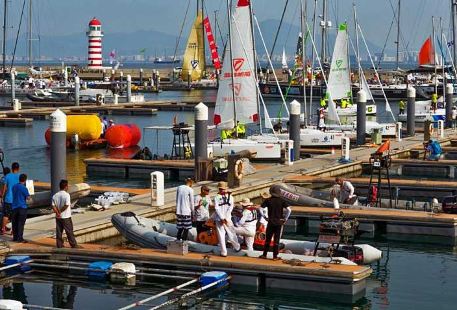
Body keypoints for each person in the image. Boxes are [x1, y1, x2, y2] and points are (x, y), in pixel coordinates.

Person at [258, 192, 291, 260]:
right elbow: (289, 210)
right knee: (276, 240)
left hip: (270, 221)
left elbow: (260, 209)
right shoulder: (282, 200)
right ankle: (275, 256)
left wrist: (264, 217)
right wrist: (285, 219)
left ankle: (264, 254)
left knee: (268, 239)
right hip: (279, 222)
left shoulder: (268, 200)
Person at [213, 181, 240, 257]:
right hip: (227, 218)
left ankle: (224, 252)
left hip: (220, 219)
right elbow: (230, 208)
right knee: (231, 232)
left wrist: (222, 218)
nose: (221, 190)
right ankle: (237, 247)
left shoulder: (216, 197)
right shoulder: (231, 197)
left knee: (221, 235)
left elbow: (217, 208)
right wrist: (225, 217)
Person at [52, 180, 79, 248]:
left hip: (58, 217)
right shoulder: (67, 195)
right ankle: (73, 245)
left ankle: (59, 245)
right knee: (69, 231)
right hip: (66, 216)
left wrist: (57, 213)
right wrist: (60, 211)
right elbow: (66, 205)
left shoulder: (55, 195)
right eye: (67, 186)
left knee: (59, 232)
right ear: (66, 187)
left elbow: (53, 206)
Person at [2, 163, 20, 235]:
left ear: (11, 168)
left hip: (8, 198)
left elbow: (4, 188)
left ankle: (3, 229)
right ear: (18, 168)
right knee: (15, 216)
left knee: (6, 215)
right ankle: (13, 230)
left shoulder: (7, 176)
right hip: (16, 199)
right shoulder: (20, 176)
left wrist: (1, 196)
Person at [11, 174, 29, 243]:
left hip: (14, 207)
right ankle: (20, 238)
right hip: (22, 207)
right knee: (21, 223)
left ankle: (15, 237)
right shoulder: (24, 188)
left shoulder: (14, 187)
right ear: (25, 180)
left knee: (14, 223)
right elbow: (28, 197)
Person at [0, 167, 10, 234]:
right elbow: (5, 189)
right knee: (5, 214)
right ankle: (2, 227)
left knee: (3, 213)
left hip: (2, 197)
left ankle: (3, 226)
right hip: (5, 198)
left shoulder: (2, 179)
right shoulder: (7, 179)